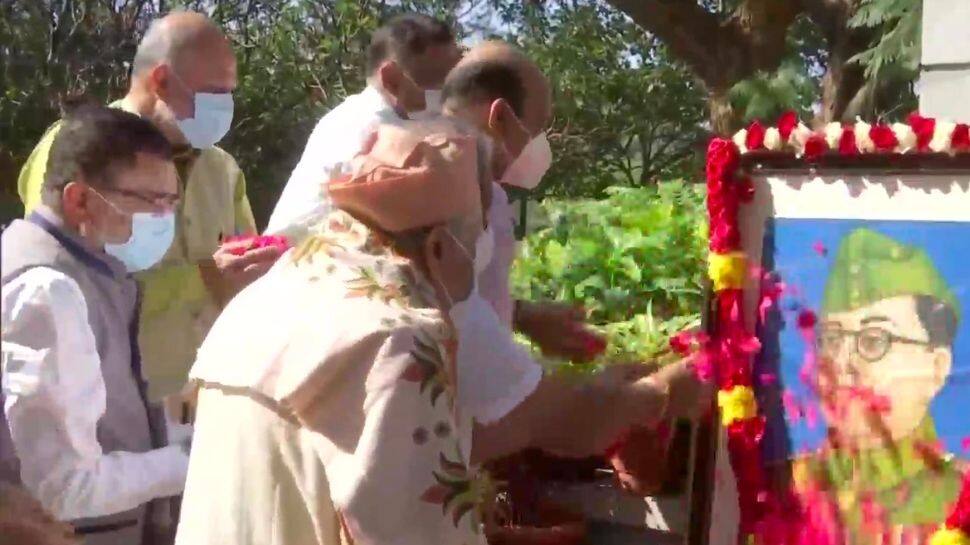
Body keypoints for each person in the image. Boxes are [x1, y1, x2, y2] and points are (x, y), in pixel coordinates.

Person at [175, 120, 707, 545]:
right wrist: (659, 395)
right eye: (476, 237)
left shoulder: (271, 294)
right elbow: (413, 520)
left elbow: (410, 440)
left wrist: (621, 399)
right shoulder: (396, 338)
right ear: (437, 249)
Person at [16, 11, 281, 413]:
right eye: (214, 94)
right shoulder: (74, 150)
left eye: (230, 93)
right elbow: (56, 292)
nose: (226, 108)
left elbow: (246, 268)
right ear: (160, 81)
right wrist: (202, 279)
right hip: (107, 414)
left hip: (203, 406)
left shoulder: (222, 170)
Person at [1, 106, 192, 544]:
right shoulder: (49, 291)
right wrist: (190, 460)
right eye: (150, 202)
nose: (164, 218)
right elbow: (64, 488)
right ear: (80, 199)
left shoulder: (87, 270)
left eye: (171, 202)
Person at [794, 227, 964, 544]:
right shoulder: (783, 487)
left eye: (874, 341)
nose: (841, 364)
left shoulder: (959, 494)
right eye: (830, 339)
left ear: (937, 368)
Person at [441, 40, 598, 364]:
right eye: (532, 132)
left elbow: (471, 301)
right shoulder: (423, 205)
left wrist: (523, 316)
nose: (530, 150)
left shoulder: (492, 199)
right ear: (499, 117)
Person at [265, 13, 462, 238]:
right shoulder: (366, 129)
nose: (448, 93)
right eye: (438, 79)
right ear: (392, 79)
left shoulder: (385, 119)